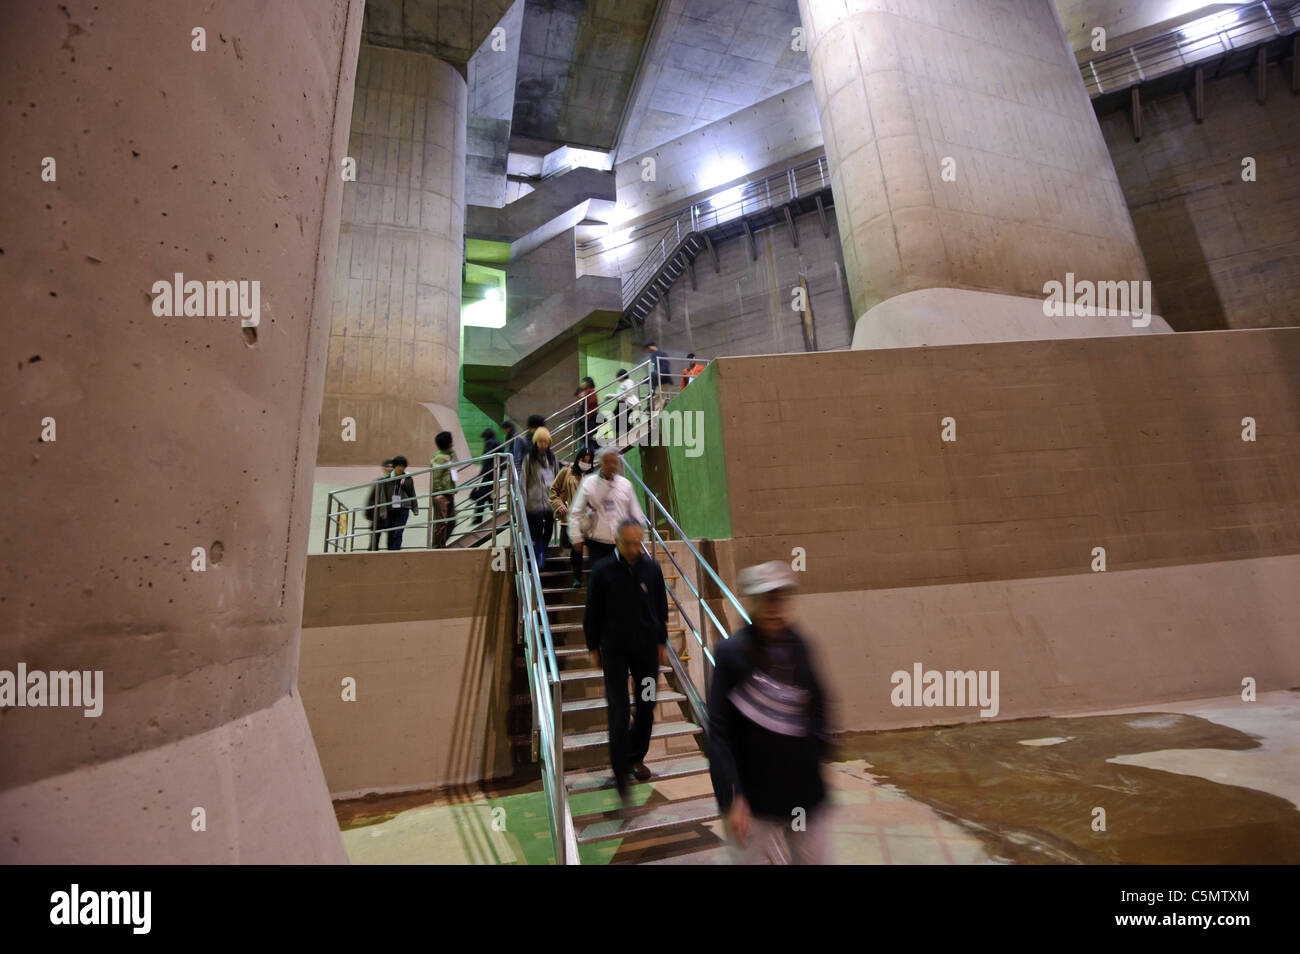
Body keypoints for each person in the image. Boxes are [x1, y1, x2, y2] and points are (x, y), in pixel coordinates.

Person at [708, 561, 832, 865]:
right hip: (755, 803)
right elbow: (720, 733)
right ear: (752, 602)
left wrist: (818, 751)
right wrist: (731, 798)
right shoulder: (732, 655)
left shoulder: (800, 646)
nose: (774, 606)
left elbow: (819, 705)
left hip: (804, 796)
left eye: (780, 598)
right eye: (766, 598)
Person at [584, 516, 669, 803]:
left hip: (645, 651)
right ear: (617, 541)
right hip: (615, 652)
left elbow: (660, 608)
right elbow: (592, 612)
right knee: (619, 711)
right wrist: (593, 646)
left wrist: (661, 641)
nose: (635, 548)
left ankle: (635, 757)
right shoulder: (603, 570)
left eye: (638, 542)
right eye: (629, 543)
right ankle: (620, 773)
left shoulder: (651, 569)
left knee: (646, 706)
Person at [568, 445, 646, 572]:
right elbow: (576, 512)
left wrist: (640, 537)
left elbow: (636, 514)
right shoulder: (589, 483)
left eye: (614, 462)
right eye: (608, 462)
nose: (612, 466)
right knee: (601, 581)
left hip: (621, 544)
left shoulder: (625, 485)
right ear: (601, 463)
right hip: (597, 543)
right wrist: (576, 537)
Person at [550, 447, 594, 587]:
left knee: (592, 549)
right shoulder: (566, 472)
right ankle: (577, 578)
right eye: (583, 460)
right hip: (571, 519)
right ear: (578, 459)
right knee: (576, 548)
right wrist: (559, 505)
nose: (585, 463)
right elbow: (553, 491)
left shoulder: (593, 477)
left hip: (590, 520)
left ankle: (593, 580)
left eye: (589, 461)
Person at [520, 426, 558, 568]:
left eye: (546, 441)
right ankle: (540, 554)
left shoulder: (553, 458)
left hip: (549, 502)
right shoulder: (529, 459)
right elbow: (523, 481)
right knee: (536, 530)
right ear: (536, 442)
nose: (543, 444)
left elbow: (557, 479)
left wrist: (558, 499)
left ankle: (543, 551)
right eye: (540, 441)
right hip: (533, 502)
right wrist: (523, 502)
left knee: (549, 528)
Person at [384, 456, 419, 551]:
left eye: (403, 466)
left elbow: (412, 493)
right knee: (390, 533)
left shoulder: (408, 478)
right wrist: (382, 510)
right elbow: (383, 496)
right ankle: (390, 553)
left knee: (398, 532)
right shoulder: (386, 479)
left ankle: (396, 553)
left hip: (404, 507)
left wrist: (415, 508)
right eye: (399, 466)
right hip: (390, 508)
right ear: (394, 466)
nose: (401, 468)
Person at [429, 432, 456, 548]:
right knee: (442, 523)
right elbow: (436, 476)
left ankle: (440, 544)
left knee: (451, 521)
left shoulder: (448, 456)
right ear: (449, 442)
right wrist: (438, 493)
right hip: (442, 495)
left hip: (449, 493)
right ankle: (437, 547)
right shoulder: (440, 458)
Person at [470, 427, 500, 525]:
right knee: (486, 495)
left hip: (489, 473)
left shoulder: (489, 443)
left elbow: (487, 459)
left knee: (482, 495)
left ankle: (480, 517)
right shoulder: (497, 442)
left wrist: (481, 474)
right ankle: (494, 512)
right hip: (494, 472)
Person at [365, 458, 394, 550]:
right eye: (387, 466)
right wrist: (370, 513)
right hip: (378, 515)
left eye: (392, 466)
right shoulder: (379, 482)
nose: (390, 468)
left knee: (392, 541)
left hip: (391, 514)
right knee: (374, 541)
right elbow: (371, 499)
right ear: (383, 468)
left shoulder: (398, 481)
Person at [608, 370, 639, 444]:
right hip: (622, 403)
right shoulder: (624, 383)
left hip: (625, 403)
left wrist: (617, 396)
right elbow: (621, 395)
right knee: (619, 419)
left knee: (622, 419)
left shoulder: (629, 382)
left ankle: (627, 436)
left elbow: (628, 392)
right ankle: (622, 436)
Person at [576, 377, 599, 450]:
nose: (583, 384)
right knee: (586, 438)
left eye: (584, 382)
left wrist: (584, 397)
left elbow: (592, 403)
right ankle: (593, 450)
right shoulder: (588, 392)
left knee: (585, 437)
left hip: (590, 418)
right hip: (587, 418)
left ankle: (591, 451)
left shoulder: (591, 392)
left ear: (588, 383)